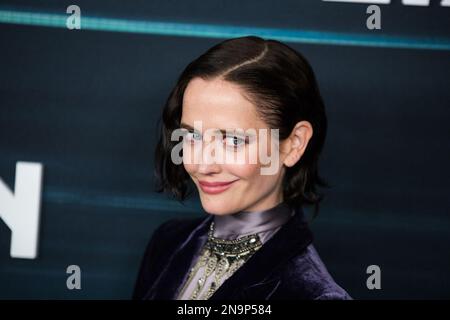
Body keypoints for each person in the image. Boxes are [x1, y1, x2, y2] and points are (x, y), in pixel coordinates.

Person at [133, 36, 351, 300]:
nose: (202, 164)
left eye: (233, 140)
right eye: (192, 136)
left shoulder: (313, 295)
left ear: (294, 144)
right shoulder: (167, 242)